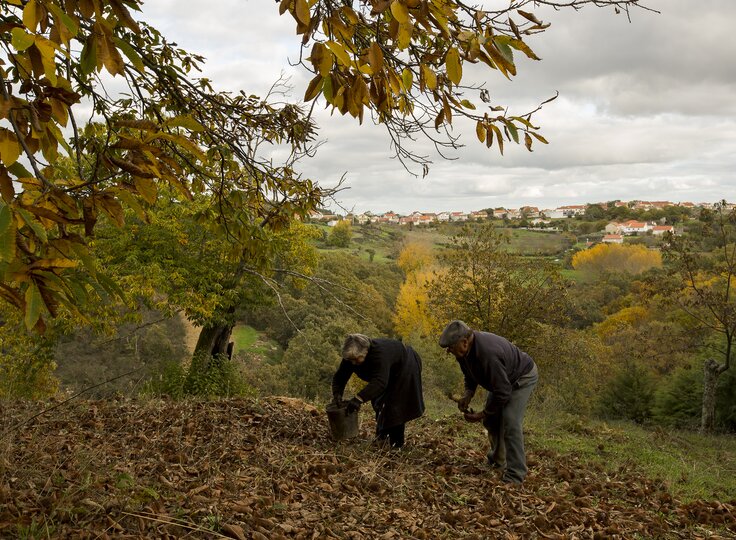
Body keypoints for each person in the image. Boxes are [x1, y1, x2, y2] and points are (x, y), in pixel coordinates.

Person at [439, 320, 538, 484]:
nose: (448, 351)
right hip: (502, 381)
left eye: (450, 347)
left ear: (464, 342)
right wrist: (468, 394)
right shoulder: (463, 352)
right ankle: (497, 461)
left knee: (510, 421)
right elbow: (469, 374)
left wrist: (482, 413)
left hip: (522, 377)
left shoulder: (488, 354)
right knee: (491, 420)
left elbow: (503, 391)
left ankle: (515, 475)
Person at [331, 333, 425, 448]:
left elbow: (380, 382)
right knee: (379, 402)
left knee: (395, 407)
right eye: (351, 360)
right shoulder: (350, 357)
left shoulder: (380, 354)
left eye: (357, 359)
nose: (353, 363)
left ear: (366, 350)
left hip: (406, 366)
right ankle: (382, 437)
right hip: (388, 373)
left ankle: (396, 444)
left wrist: (358, 399)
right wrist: (337, 394)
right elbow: (340, 376)